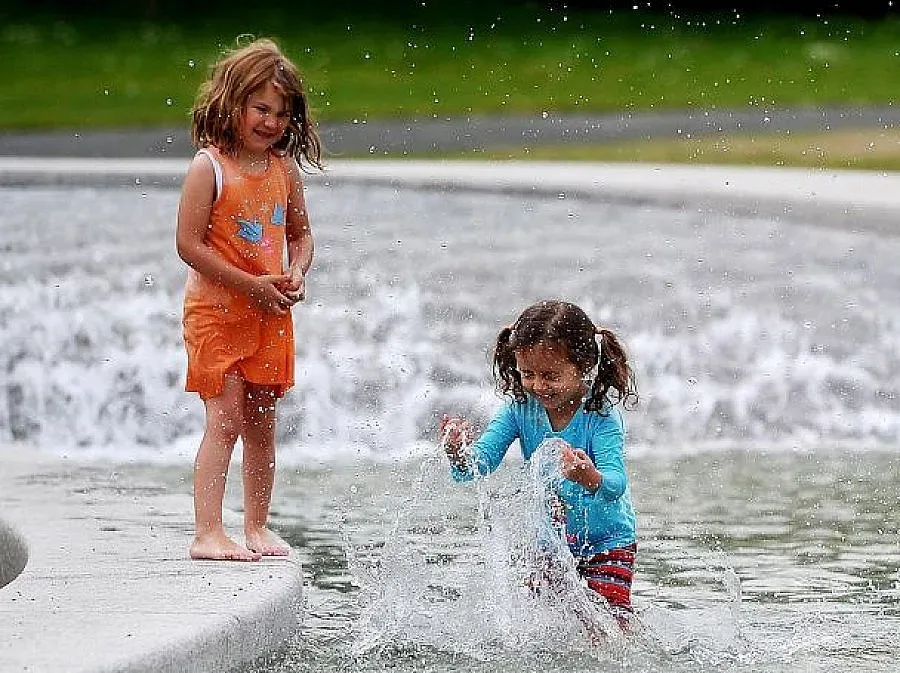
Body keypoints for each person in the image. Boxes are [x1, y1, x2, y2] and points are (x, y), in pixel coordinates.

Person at [175, 36, 323, 561]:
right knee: (226, 419)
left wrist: (295, 273)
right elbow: (188, 245)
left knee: (262, 423)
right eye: (261, 109)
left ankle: (257, 525)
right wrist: (251, 285)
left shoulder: (284, 171)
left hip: (270, 315)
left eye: (282, 114)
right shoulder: (209, 168)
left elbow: (302, 238)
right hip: (217, 314)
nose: (271, 122)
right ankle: (207, 533)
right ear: (232, 104)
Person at [440, 300, 639, 627]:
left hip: (608, 542)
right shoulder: (518, 410)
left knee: (606, 630)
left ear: (583, 365)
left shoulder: (601, 416)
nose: (538, 386)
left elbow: (616, 485)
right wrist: (458, 453)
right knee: (551, 629)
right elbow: (480, 464)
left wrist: (590, 477)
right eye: (528, 374)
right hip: (550, 543)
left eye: (550, 375)